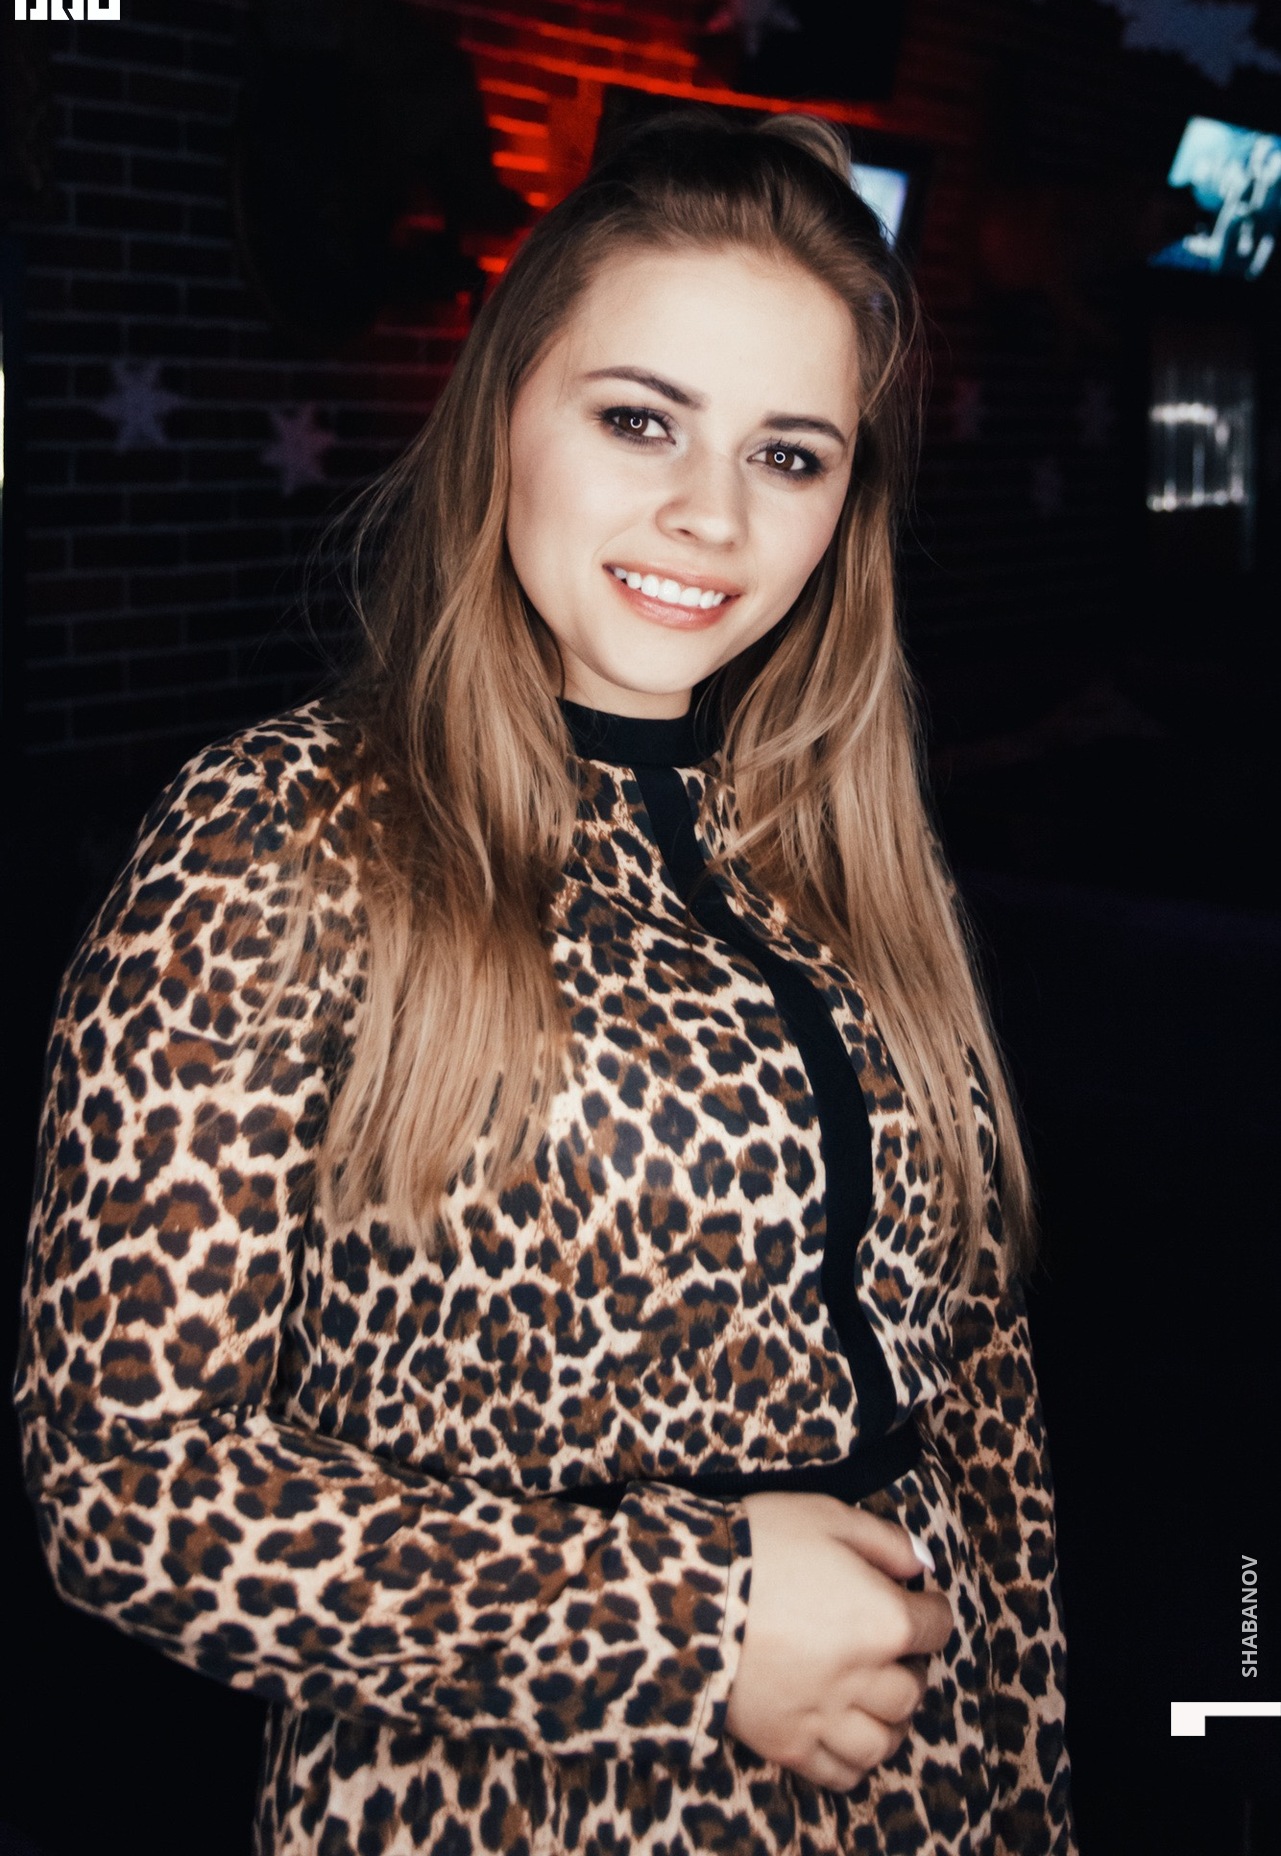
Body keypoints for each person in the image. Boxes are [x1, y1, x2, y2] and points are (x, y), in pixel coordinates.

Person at [17, 113, 1075, 1855]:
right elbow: (123, 1485)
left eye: (789, 454)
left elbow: (977, 1399)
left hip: (927, 1789)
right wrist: (690, 1620)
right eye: (639, 418)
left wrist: (1024, 1795)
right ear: (505, 408)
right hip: (520, 1808)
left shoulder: (845, 852)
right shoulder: (289, 837)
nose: (709, 513)